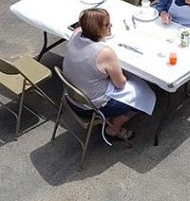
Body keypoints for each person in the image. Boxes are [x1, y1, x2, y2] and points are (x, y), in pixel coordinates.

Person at [63, 8, 155, 141]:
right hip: (90, 108)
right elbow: (121, 84)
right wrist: (124, 75)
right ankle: (114, 128)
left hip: (71, 96)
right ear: (96, 29)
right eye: (106, 25)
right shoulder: (104, 52)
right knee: (146, 94)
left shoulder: (76, 33)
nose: (111, 26)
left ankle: (112, 119)